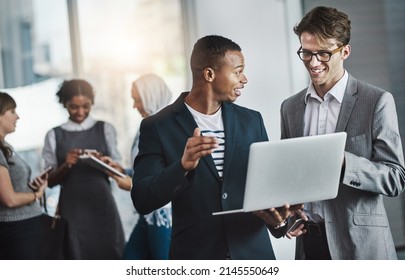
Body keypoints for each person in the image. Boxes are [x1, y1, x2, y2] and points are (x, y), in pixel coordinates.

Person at [131, 35, 301, 260]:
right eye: (238, 71)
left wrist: (280, 223)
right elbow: (143, 199)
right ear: (209, 74)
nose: (245, 79)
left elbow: (267, 189)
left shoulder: (252, 121)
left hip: (254, 257)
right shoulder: (157, 127)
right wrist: (182, 167)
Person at [281, 6, 405, 259]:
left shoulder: (376, 101)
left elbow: (395, 178)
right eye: (306, 53)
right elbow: (289, 176)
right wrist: (288, 212)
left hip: (362, 246)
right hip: (309, 246)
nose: (313, 63)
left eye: (324, 54)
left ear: (344, 51)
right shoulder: (290, 107)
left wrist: (344, 162)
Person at [42, 79, 125, 259]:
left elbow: (121, 173)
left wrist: (106, 162)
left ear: (92, 103)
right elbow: (48, 182)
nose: (81, 112)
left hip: (103, 206)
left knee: (110, 253)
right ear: (64, 104)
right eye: (74, 107)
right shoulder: (54, 135)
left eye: (86, 106)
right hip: (72, 209)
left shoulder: (105, 129)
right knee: (76, 256)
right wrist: (66, 165)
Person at [106, 74, 173, 259]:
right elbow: (148, 168)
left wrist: (132, 185)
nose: (134, 106)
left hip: (164, 216)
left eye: (138, 100)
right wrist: (122, 170)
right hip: (148, 214)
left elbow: (171, 177)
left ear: (151, 96)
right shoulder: (148, 126)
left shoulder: (169, 128)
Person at [0, 92, 48, 259]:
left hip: (24, 228)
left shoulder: (5, 146)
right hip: (17, 231)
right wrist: (36, 194)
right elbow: (10, 199)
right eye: (12, 111)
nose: (18, 116)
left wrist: (29, 187)